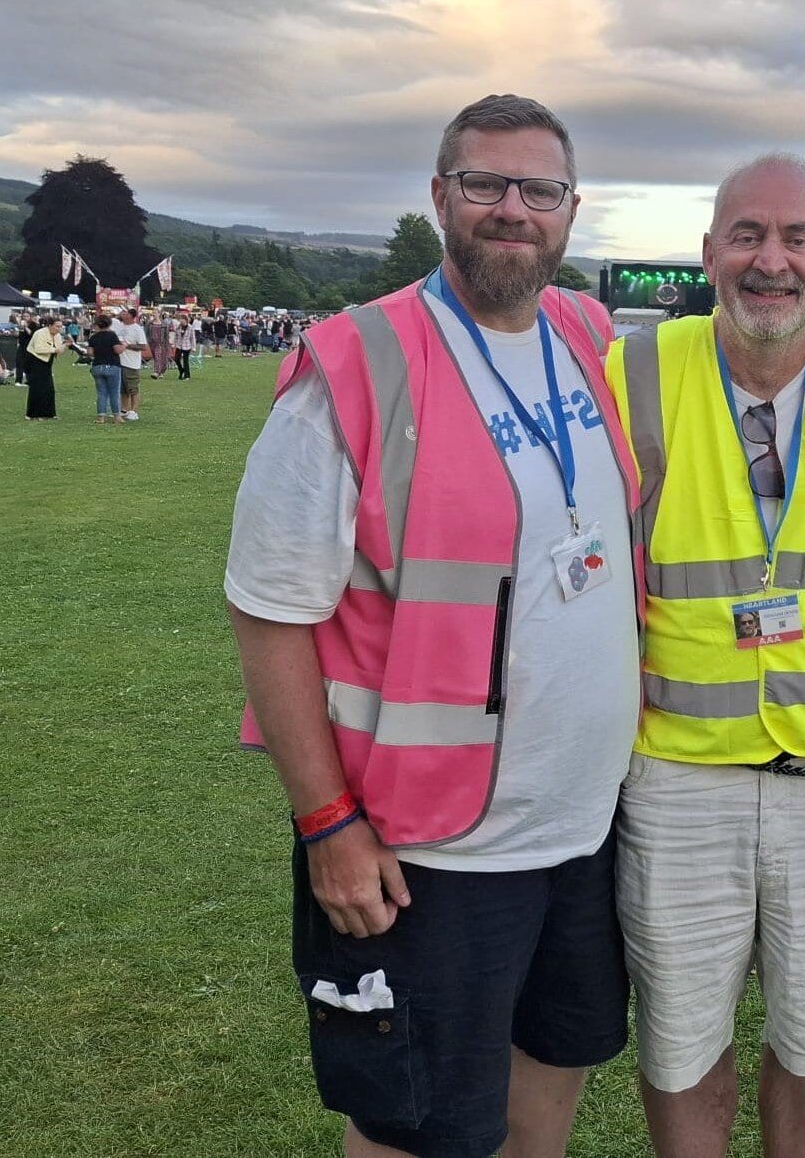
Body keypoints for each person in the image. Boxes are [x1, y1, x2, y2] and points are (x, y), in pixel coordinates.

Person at [228, 93, 635, 1158]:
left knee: (550, 1077)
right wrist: (325, 820)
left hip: (585, 821)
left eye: (537, 189)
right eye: (484, 184)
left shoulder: (587, 335)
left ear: (571, 209)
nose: (512, 208)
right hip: (431, 840)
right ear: (440, 197)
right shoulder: (356, 364)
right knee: (418, 1127)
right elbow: (270, 610)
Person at [602, 153, 805, 1158]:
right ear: (708, 253)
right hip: (679, 774)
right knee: (682, 1041)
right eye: (746, 235)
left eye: (795, 237)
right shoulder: (634, 366)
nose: (769, 260)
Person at [25, 316, 66, 420]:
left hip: (47, 361)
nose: (59, 329)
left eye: (61, 327)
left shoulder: (57, 335)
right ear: (50, 325)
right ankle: (34, 414)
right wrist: (55, 350)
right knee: (37, 388)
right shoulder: (40, 333)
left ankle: (49, 413)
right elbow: (38, 349)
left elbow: (58, 349)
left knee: (49, 388)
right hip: (35, 360)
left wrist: (64, 346)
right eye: (57, 326)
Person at [86, 312, 124, 423]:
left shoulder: (93, 337)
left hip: (97, 366)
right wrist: (124, 346)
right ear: (109, 324)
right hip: (112, 365)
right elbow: (117, 350)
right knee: (114, 392)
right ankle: (117, 416)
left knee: (101, 393)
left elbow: (90, 353)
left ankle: (101, 417)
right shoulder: (112, 335)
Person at [115, 307, 148, 420]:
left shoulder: (137, 329)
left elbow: (143, 346)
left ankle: (134, 411)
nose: (122, 315)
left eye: (125, 313)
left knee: (133, 388)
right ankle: (124, 409)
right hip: (120, 362)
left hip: (131, 363)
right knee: (123, 389)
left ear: (131, 316)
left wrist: (127, 345)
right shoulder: (120, 327)